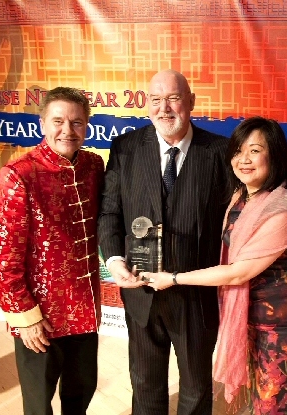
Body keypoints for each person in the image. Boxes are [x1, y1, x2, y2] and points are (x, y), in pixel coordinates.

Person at [144, 117, 287, 415]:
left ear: (274, 155)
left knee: (273, 402)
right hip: (249, 314)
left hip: (282, 325)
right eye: (238, 151)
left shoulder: (283, 210)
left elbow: (239, 272)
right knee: (252, 397)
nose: (243, 159)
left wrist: (173, 278)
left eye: (255, 150)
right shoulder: (242, 197)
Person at [97, 69, 228, 415]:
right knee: (144, 382)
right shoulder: (125, 148)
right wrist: (113, 261)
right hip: (140, 292)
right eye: (155, 100)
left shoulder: (220, 152)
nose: (164, 108)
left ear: (191, 102)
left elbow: (235, 225)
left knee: (197, 387)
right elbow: (109, 213)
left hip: (195, 295)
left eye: (173, 98)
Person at [0, 87, 104, 415]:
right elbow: (3, 255)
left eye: (77, 122)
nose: (67, 130)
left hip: (83, 311)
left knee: (81, 394)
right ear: (42, 123)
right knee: (38, 404)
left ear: (87, 126)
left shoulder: (94, 166)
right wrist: (24, 318)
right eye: (58, 121)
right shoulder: (18, 175)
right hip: (40, 318)